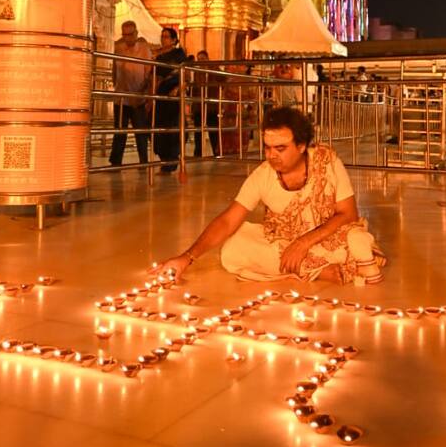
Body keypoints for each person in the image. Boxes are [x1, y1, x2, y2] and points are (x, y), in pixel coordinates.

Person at [151, 106, 386, 284]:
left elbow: (348, 213)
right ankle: (317, 270)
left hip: (328, 237)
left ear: (302, 145)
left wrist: (304, 243)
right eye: (268, 147)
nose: (272, 155)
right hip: (285, 243)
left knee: (357, 240)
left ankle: (311, 264)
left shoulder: (327, 161)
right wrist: (187, 257)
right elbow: (228, 220)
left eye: (280, 148)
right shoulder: (263, 175)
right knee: (233, 250)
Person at [109, 20, 151, 166]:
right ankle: (115, 161)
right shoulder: (119, 49)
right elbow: (115, 71)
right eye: (124, 35)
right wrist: (117, 87)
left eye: (130, 34)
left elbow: (148, 73)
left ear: (136, 33)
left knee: (140, 131)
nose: (127, 38)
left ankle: (143, 160)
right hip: (121, 97)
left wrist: (143, 94)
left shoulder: (144, 50)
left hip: (138, 97)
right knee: (120, 130)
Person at [151, 26, 187, 172]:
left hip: (174, 96)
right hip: (161, 96)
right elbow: (156, 78)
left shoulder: (179, 55)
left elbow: (185, 75)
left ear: (173, 40)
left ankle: (172, 160)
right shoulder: (159, 57)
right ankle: (164, 159)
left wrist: (178, 89)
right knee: (158, 128)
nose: (163, 39)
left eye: (166, 37)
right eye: (162, 36)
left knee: (173, 128)